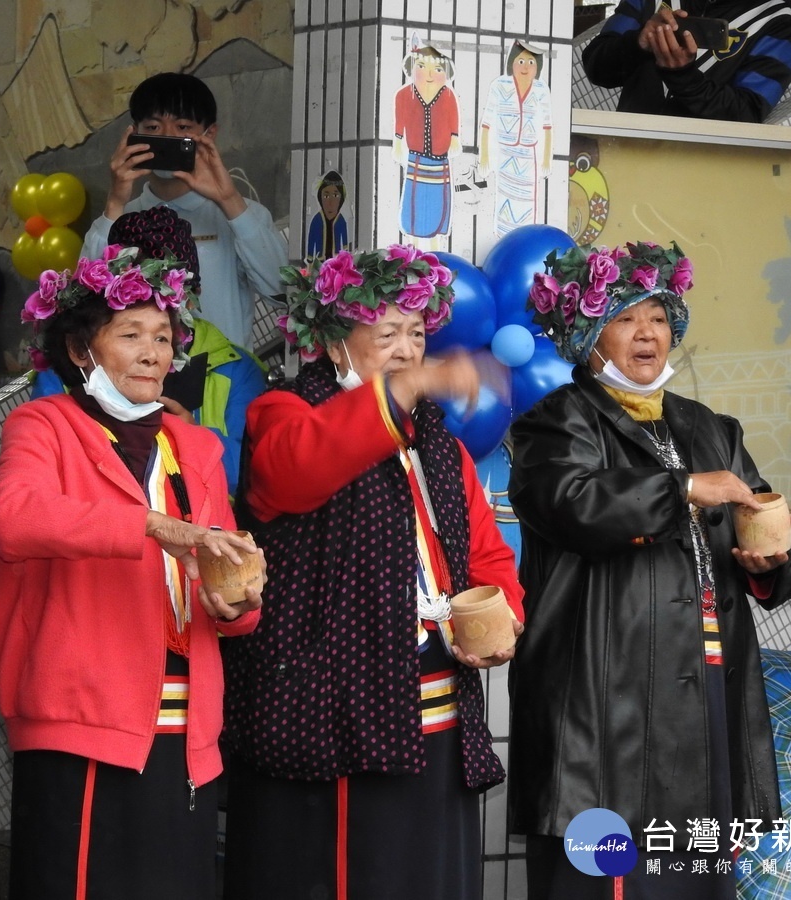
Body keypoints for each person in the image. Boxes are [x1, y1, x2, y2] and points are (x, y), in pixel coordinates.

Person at [508, 241, 791, 899]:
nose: (648, 333)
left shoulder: (709, 427)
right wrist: (682, 489)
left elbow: (758, 516)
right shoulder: (554, 423)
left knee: (690, 873)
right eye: (626, 319)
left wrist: (769, 557)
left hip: (706, 686)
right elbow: (573, 505)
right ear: (590, 335)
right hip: (608, 694)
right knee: (607, 875)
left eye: (658, 317)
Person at [221, 246, 525, 900]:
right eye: (386, 333)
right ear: (333, 346)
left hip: (436, 712)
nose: (408, 350)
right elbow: (299, 469)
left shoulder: (438, 442)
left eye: (417, 334)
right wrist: (404, 393)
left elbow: (486, 554)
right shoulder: (282, 412)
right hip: (325, 719)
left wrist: (503, 620)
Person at [0, 242, 264, 899]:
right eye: (131, 334)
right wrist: (148, 523)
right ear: (83, 351)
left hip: (184, 731)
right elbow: (14, 518)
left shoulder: (195, 446)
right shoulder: (42, 425)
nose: (152, 353)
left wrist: (236, 603)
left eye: (163, 337)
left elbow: (220, 572)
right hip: (79, 722)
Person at [33, 206, 265, 490]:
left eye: (167, 296)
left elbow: (257, 479)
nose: (149, 355)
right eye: (130, 333)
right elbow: (39, 486)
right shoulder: (65, 369)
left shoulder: (238, 370)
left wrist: (192, 437)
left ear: (193, 296)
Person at [81, 71, 288, 350]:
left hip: (225, 380)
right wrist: (115, 202)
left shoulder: (240, 214)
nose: (167, 138)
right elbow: (84, 298)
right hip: (143, 383)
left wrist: (229, 199)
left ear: (209, 134)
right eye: (153, 128)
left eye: (182, 127)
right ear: (133, 134)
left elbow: (282, 290)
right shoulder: (120, 218)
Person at [581, 0, 791, 123]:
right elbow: (596, 67)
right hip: (629, 155)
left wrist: (684, 77)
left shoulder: (779, 16)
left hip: (702, 176)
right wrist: (639, 42)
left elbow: (747, 114)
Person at [478, 42, 553, 236]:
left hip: (529, 155)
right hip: (505, 152)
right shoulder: (499, 85)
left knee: (527, 204)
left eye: (531, 62)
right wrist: (485, 156)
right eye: (520, 61)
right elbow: (486, 123)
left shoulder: (541, 89)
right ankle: (503, 238)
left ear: (537, 67)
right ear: (512, 63)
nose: (525, 67)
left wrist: (546, 159)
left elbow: (547, 126)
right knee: (505, 201)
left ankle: (524, 238)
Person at [393, 39, 460, 247]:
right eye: (422, 67)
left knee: (437, 203)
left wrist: (455, 138)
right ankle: (412, 245)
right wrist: (397, 141)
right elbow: (400, 120)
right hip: (416, 157)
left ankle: (435, 247)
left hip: (440, 159)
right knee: (414, 202)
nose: (430, 75)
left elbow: (453, 119)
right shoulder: (404, 95)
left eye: (437, 69)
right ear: (411, 69)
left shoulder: (448, 95)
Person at [306, 170, 349, 259]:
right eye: (326, 196)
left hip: (336, 262)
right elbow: (311, 239)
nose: (330, 202)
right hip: (320, 262)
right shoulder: (316, 220)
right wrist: (310, 258)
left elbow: (345, 241)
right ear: (320, 197)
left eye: (335, 196)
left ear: (341, 199)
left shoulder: (341, 220)